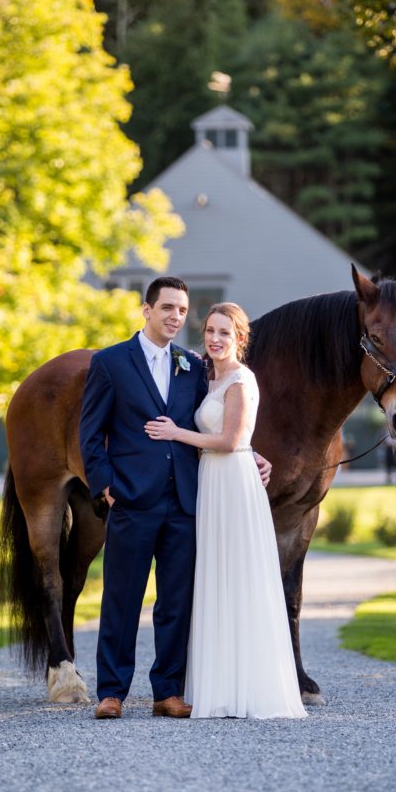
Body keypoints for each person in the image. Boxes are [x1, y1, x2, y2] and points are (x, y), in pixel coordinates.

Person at [79, 278, 271, 720]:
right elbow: (90, 434)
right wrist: (106, 487)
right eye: (166, 307)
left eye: (182, 310)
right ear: (146, 310)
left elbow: (218, 425)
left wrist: (251, 453)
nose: (175, 317)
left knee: (176, 602)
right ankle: (111, 692)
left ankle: (167, 690)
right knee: (121, 599)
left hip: (187, 502)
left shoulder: (193, 365)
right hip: (131, 499)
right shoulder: (111, 363)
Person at [145, 302, 306, 720]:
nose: (216, 339)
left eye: (225, 333)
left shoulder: (241, 379)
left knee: (240, 577)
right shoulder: (208, 375)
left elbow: (233, 440)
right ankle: (219, 686)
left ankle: (250, 685)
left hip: (233, 483)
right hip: (211, 484)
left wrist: (175, 433)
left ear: (240, 338)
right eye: (211, 332)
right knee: (214, 578)